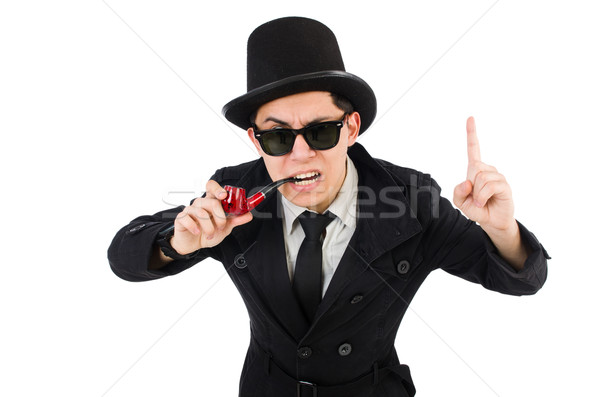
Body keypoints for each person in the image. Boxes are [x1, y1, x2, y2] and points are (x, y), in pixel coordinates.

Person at [108, 16, 550, 397]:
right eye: (278, 137)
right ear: (255, 139)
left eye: (320, 132)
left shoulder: (412, 200)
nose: (300, 155)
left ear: (351, 127)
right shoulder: (232, 194)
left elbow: (520, 280)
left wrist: (502, 229)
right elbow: (123, 256)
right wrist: (175, 243)